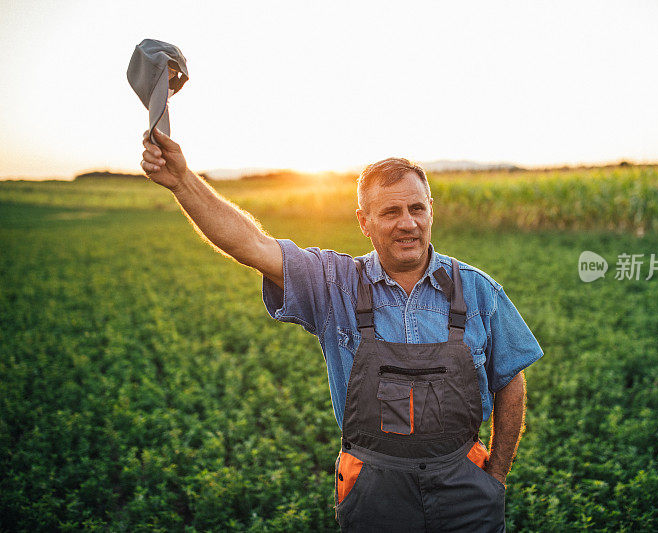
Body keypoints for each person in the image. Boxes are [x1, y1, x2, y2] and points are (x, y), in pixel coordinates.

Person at [140, 128, 544, 532]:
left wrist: (495, 476)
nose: (408, 223)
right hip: (373, 489)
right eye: (390, 213)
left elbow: (509, 379)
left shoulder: (479, 291)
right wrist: (182, 180)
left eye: (416, 209)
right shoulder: (334, 284)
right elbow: (253, 246)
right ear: (364, 223)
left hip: (465, 485)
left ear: (431, 212)